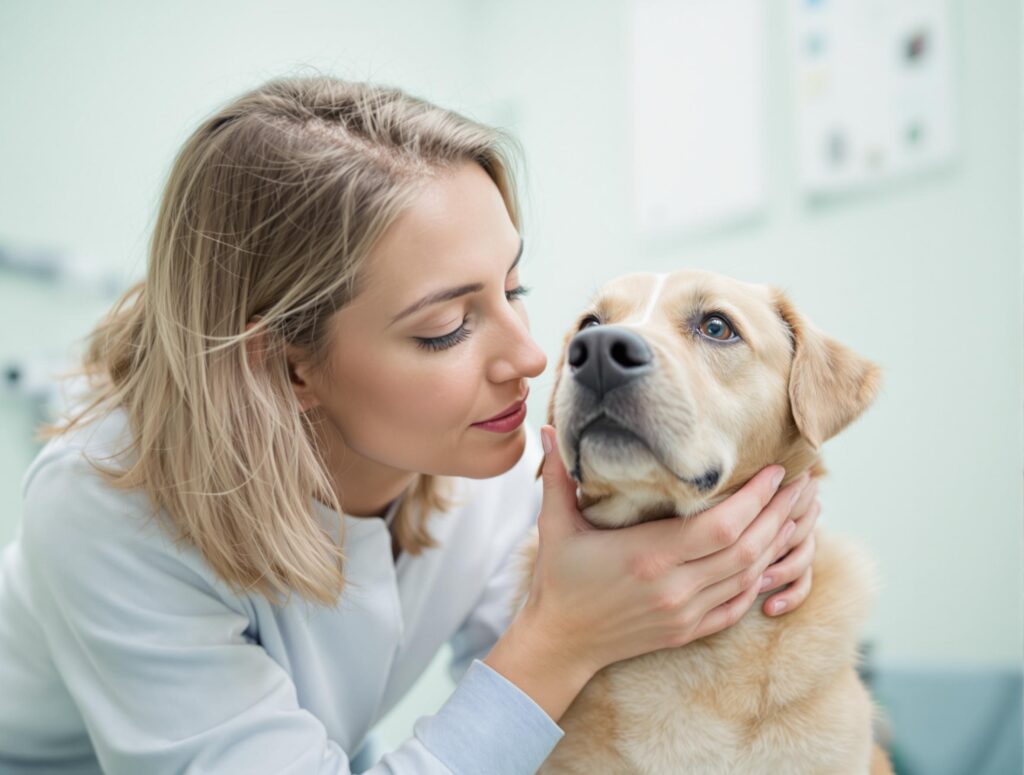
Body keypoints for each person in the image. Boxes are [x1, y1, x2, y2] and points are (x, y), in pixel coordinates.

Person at [0, 75, 820, 775]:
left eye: (515, 290)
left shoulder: (484, 456)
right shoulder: (101, 513)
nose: (532, 359)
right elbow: (543, 658)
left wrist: (743, 544)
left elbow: (551, 713)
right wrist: (560, 637)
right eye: (446, 328)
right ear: (283, 365)